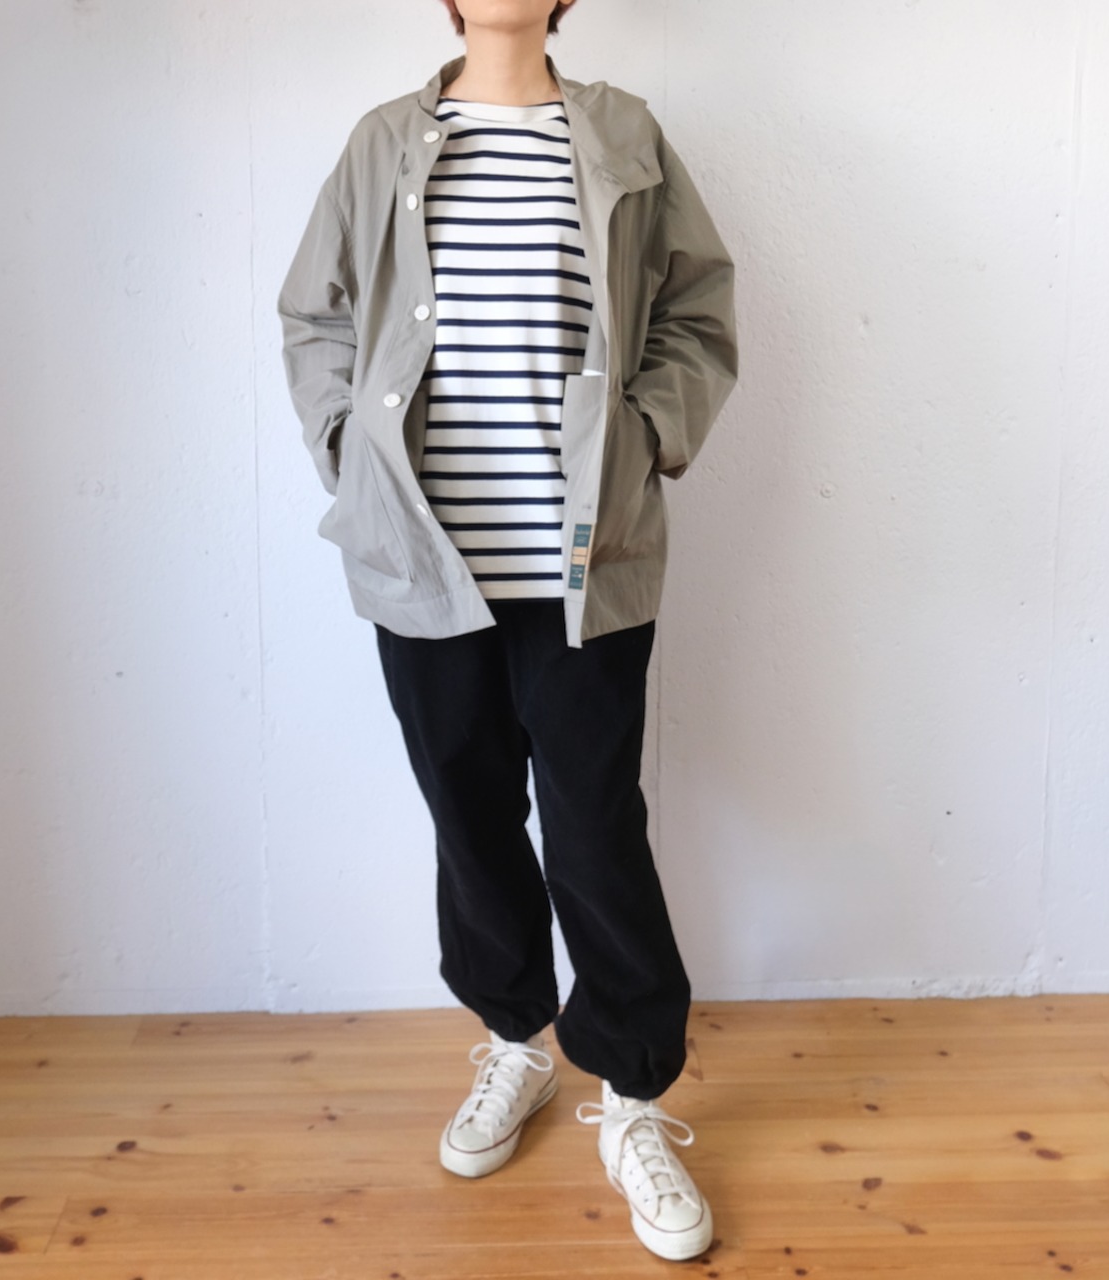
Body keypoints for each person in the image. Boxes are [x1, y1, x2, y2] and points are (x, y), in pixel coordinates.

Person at [278, 0, 738, 1261]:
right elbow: (313, 317)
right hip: (423, 560)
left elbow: (698, 311)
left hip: (584, 564)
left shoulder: (622, 132)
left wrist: (646, 438)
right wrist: (346, 452)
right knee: (468, 811)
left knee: (592, 824)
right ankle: (513, 1041)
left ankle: (631, 1096)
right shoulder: (382, 140)